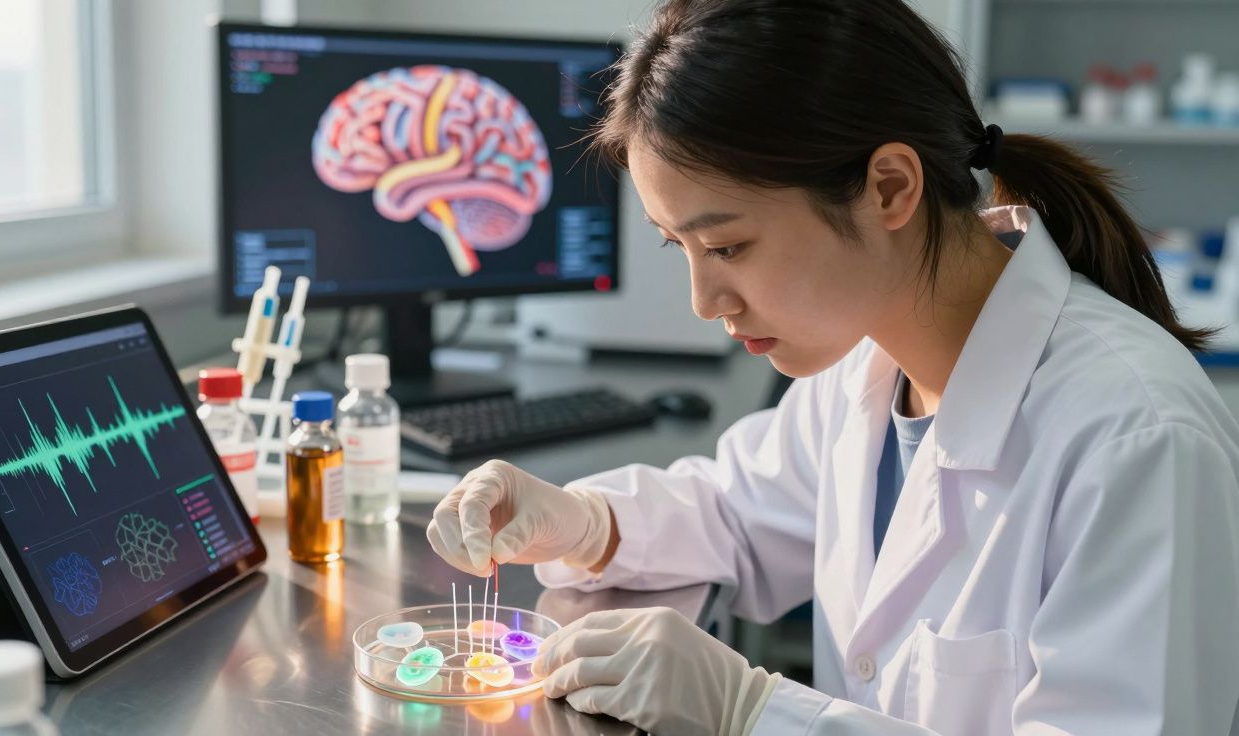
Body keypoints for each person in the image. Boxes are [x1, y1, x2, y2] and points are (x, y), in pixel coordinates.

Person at [427, 0, 1239, 733]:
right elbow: (742, 513)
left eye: (727, 247)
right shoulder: (871, 357)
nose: (706, 302)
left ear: (889, 188)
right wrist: (584, 522)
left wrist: (755, 714)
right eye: (680, 247)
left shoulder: (1135, 440)